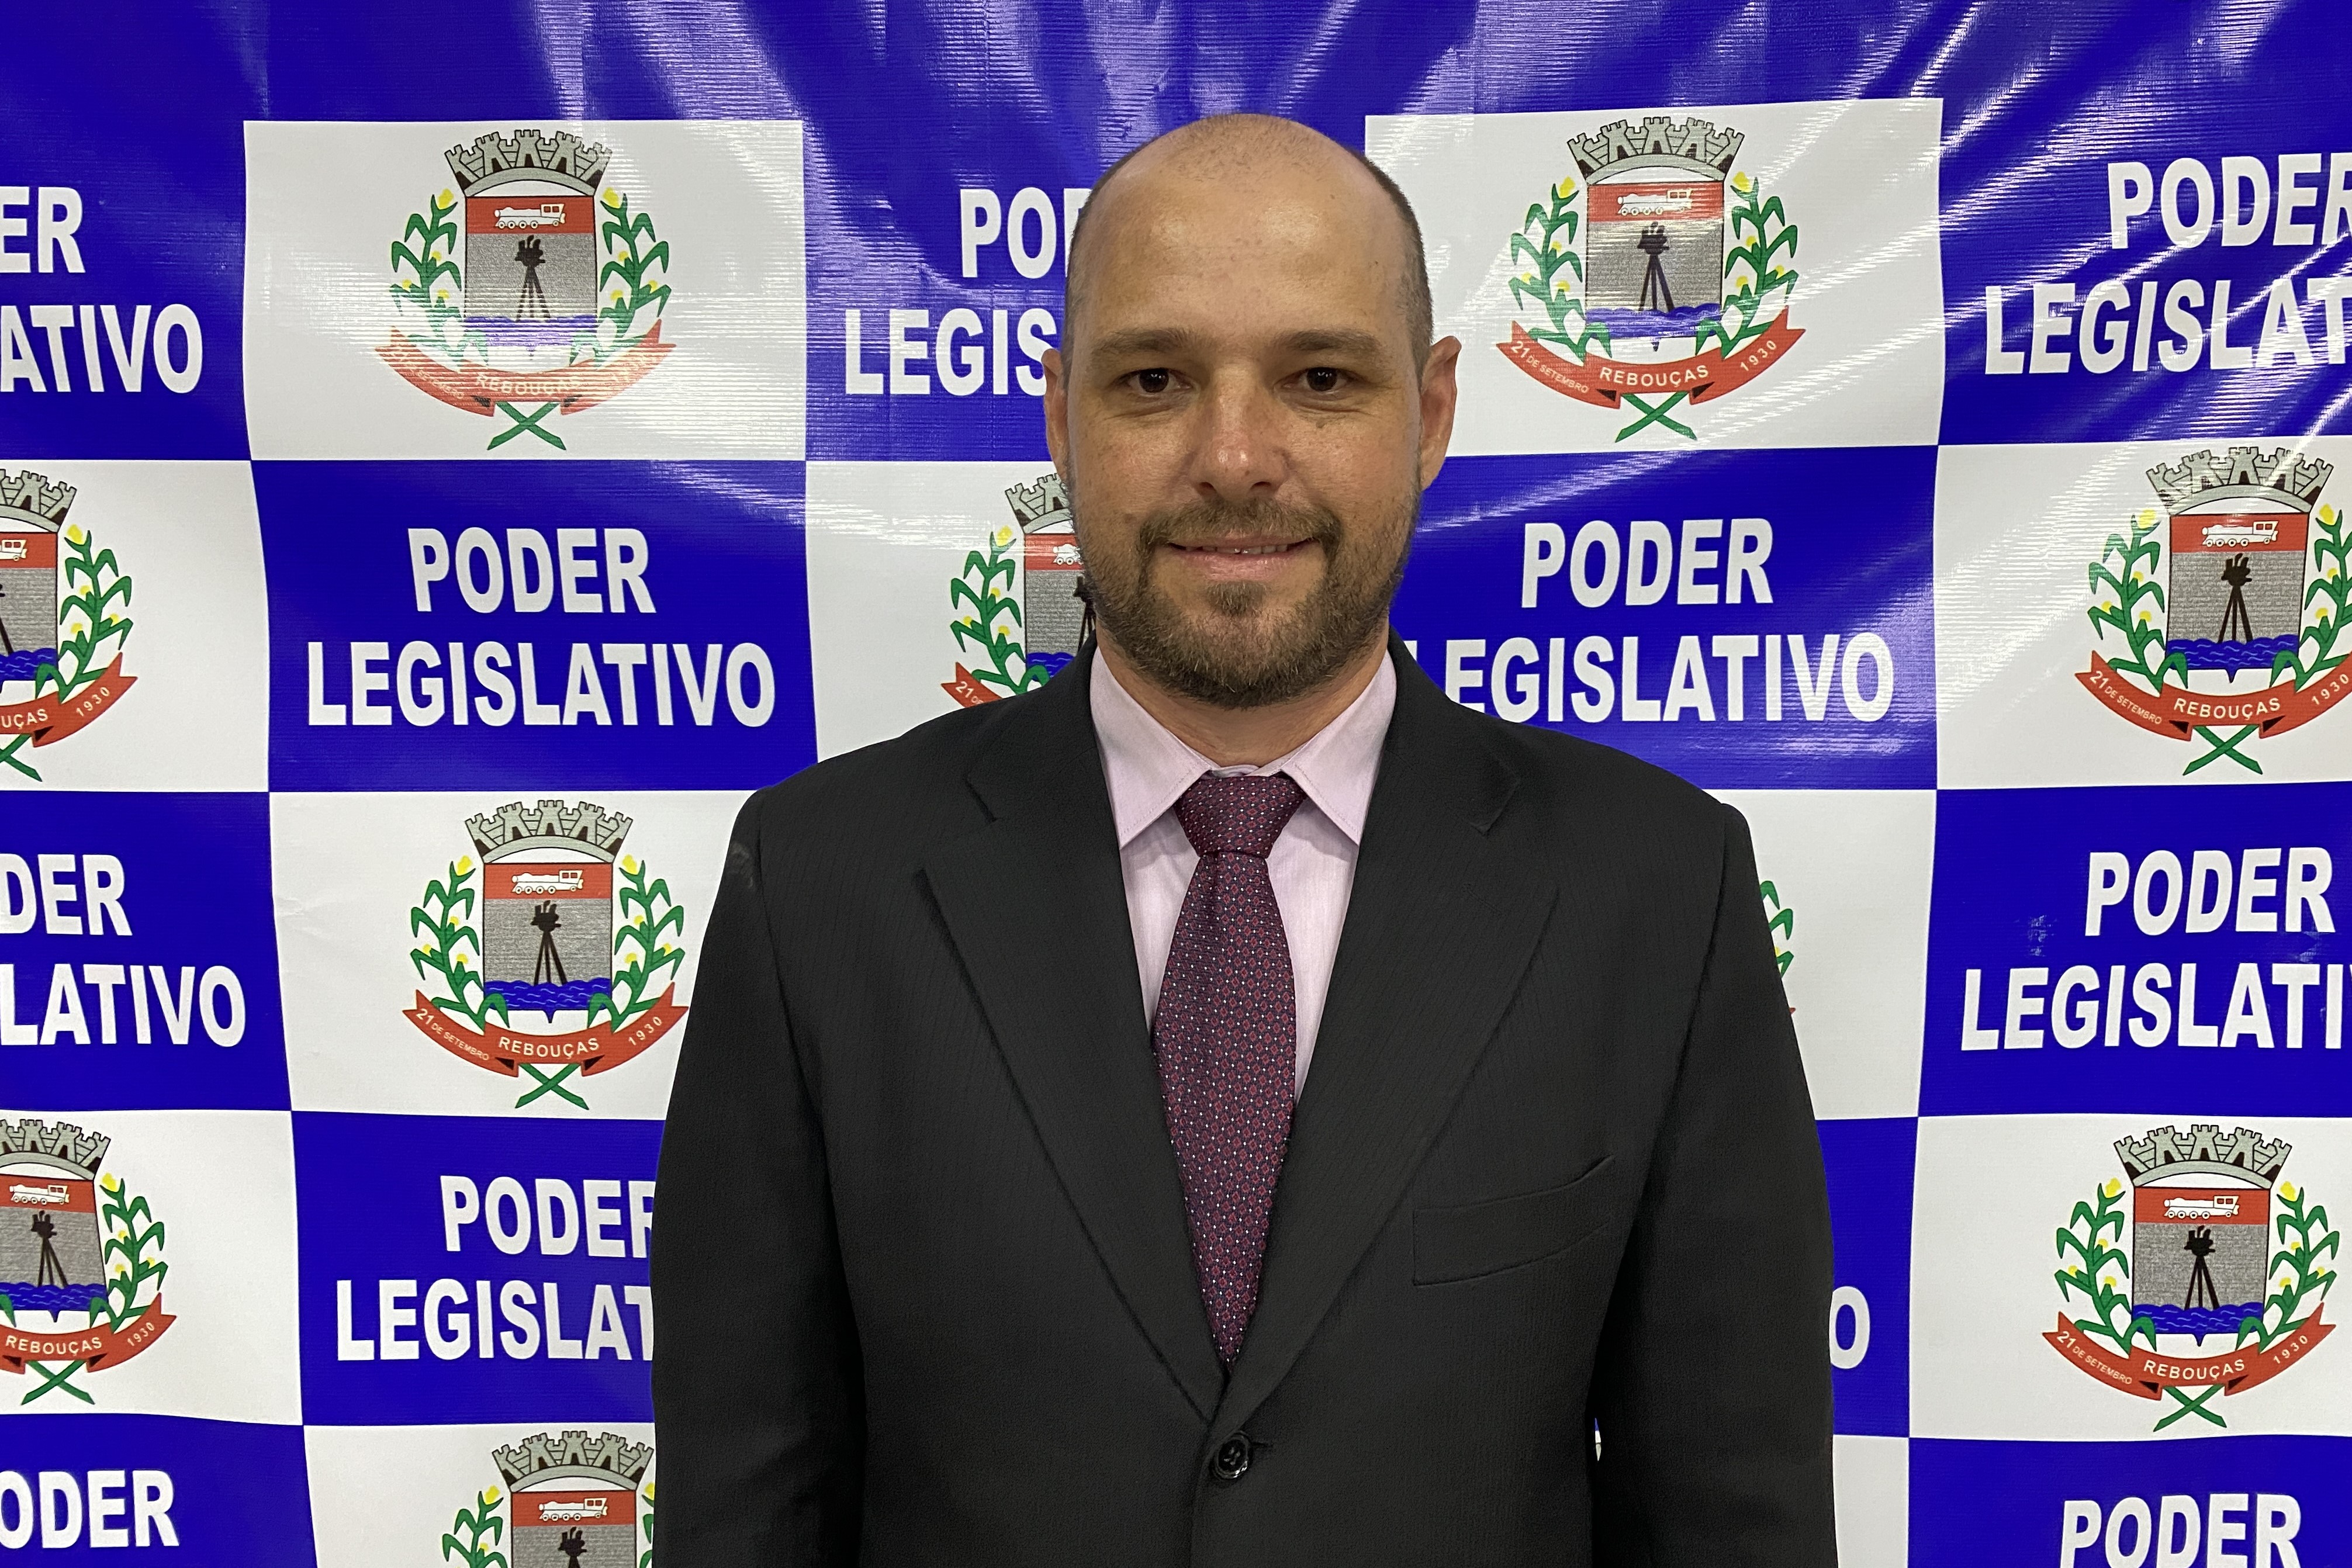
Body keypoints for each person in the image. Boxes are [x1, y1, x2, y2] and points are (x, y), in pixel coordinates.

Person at [653, 112, 1834, 1565]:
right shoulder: (819, 881)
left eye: (1319, 377)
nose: (1232, 456)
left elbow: (1733, 1517)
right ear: (1059, 415)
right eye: (1153, 379)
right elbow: (745, 1507)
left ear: (1430, 414)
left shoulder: (1653, 887)